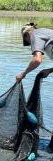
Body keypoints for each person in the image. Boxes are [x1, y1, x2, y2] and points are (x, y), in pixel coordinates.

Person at [16, 22, 53, 152]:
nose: (29, 43)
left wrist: (23, 73)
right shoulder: (45, 32)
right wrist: (50, 70)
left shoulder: (35, 35)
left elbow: (37, 60)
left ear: (27, 35)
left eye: (27, 40)